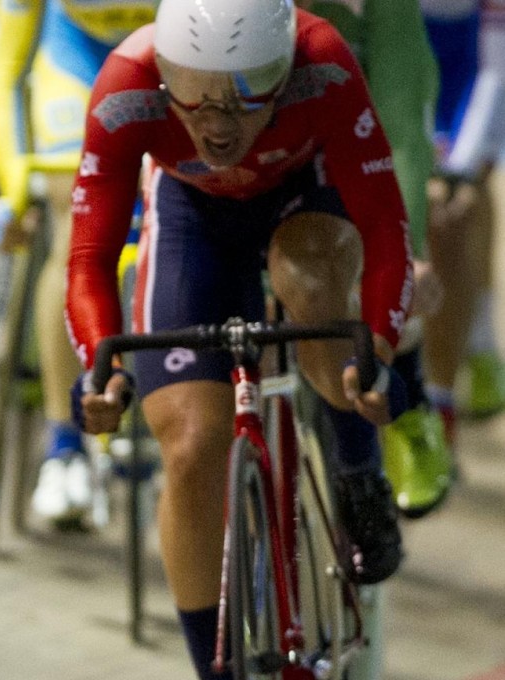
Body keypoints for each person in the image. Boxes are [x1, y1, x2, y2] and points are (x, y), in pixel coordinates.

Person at [66, 0, 410, 677]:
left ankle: (357, 469)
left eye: (250, 96)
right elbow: (88, 255)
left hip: (302, 200)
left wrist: (380, 350)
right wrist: (98, 366)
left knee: (310, 285)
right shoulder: (126, 83)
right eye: (192, 97)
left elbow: (384, 224)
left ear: (287, 71)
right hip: (192, 216)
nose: (220, 125)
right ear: (162, 72)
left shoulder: (325, 64)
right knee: (193, 450)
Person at [0, 0, 158, 527]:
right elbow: (6, 75)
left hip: (168, 55)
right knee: (72, 214)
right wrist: (15, 188)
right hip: (72, 58)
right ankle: (66, 446)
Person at [296, 0, 454, 519]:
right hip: (264, 156)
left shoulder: (381, 11)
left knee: (383, 270)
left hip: (364, 143)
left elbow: (402, 139)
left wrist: (410, 256)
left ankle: (408, 402)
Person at [421, 0, 505, 440]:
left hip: (477, 78)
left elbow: (493, 74)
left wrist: (459, 167)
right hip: (408, 78)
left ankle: (445, 390)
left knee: (458, 211)